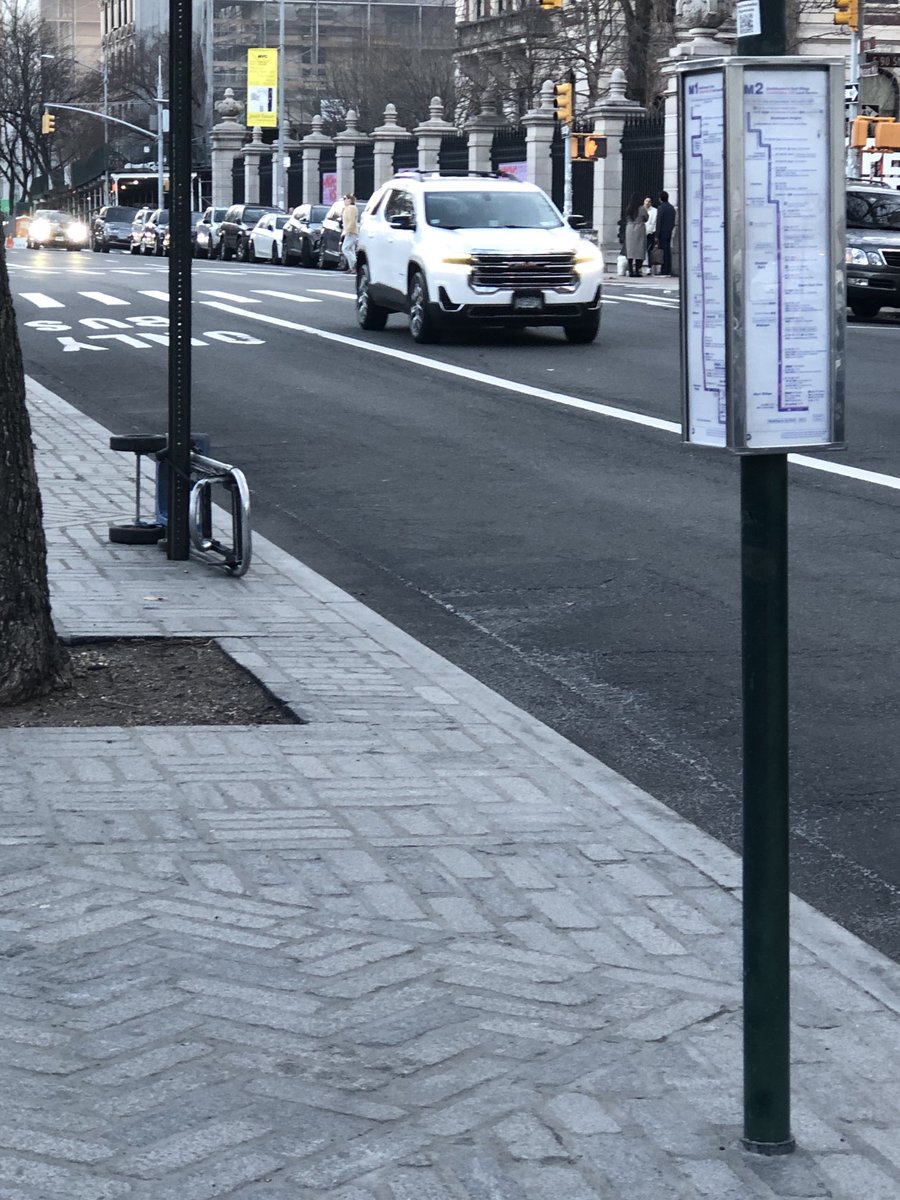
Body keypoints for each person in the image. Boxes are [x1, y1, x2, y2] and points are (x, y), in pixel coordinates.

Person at [622, 193, 648, 278]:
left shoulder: (628, 208)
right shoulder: (642, 208)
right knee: (639, 251)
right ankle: (637, 270)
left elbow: (625, 217)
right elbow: (646, 218)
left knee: (630, 251)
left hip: (629, 229)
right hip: (639, 229)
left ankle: (630, 270)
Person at [656, 189, 677, 276]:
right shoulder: (672, 208)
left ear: (660, 198)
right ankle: (668, 268)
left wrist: (656, 235)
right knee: (667, 250)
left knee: (663, 251)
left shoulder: (661, 208)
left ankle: (664, 269)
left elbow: (659, 221)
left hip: (662, 232)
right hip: (669, 231)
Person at [340, 193, 359, 272]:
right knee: (351, 249)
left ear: (349, 200)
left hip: (351, 231)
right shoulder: (348, 208)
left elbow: (352, 221)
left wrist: (347, 230)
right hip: (351, 231)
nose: (344, 200)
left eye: (345, 199)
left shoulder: (351, 208)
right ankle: (352, 268)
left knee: (345, 248)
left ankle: (354, 264)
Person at [643, 196, 658, 275]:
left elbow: (655, 222)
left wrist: (654, 232)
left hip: (650, 232)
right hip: (642, 232)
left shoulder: (655, 211)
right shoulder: (641, 210)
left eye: (649, 201)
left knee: (649, 250)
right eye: (646, 201)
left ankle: (649, 267)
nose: (647, 203)